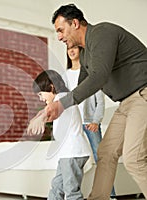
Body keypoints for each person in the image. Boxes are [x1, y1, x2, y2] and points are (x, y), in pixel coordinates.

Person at [45, 4, 147, 199]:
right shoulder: (85, 54)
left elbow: (98, 76)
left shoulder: (102, 33)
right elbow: (81, 85)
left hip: (143, 95)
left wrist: (62, 104)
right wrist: (52, 104)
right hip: (126, 103)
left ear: (74, 23)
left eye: (60, 30)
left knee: (133, 159)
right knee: (106, 152)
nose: (59, 37)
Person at [63, 46, 118, 198]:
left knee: (101, 157)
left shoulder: (90, 74)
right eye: (68, 49)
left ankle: (110, 195)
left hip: (89, 123)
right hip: (72, 125)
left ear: (82, 52)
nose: (71, 51)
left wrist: (96, 121)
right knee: (69, 158)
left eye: (74, 48)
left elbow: (100, 102)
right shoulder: (65, 75)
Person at [27, 70, 91, 199]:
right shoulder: (59, 101)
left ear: (51, 87)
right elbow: (48, 112)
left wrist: (41, 118)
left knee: (71, 191)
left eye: (40, 94)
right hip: (67, 154)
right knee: (57, 186)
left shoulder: (62, 97)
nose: (40, 98)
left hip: (73, 152)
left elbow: (48, 110)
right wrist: (37, 119)